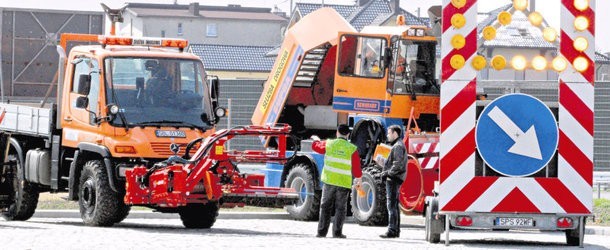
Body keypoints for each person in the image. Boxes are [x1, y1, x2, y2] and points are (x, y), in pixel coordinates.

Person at [311, 124, 362, 239]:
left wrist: (316, 140)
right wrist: (359, 179)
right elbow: (356, 168)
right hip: (343, 183)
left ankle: (321, 232)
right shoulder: (352, 149)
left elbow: (317, 148)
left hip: (329, 181)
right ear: (348, 134)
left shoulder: (329, 144)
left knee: (325, 207)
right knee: (340, 209)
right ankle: (337, 233)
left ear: (337, 133)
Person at [377, 125, 407, 238]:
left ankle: (392, 230)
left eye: (389, 133)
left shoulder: (398, 146)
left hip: (393, 179)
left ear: (395, 133)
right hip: (394, 178)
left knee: (391, 206)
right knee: (394, 205)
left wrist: (386, 173)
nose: (387, 135)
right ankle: (395, 230)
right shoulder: (398, 145)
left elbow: (397, 165)